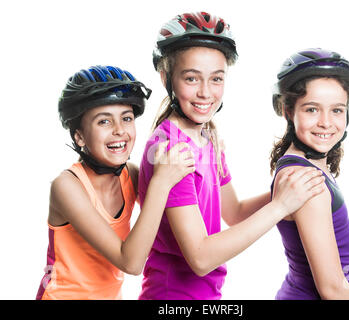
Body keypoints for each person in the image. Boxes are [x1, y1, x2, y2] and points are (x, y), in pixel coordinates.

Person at [137, 12, 327, 300]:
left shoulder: (207, 139)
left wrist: (290, 187)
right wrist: (280, 206)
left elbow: (234, 212)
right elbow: (200, 258)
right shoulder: (169, 151)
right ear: (166, 78)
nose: (205, 93)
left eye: (216, 79)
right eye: (191, 78)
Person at [36, 65, 195, 300]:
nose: (120, 130)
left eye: (127, 118)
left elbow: (166, 216)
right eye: (104, 122)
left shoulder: (129, 175)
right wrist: (160, 183)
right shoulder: (67, 186)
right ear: (79, 136)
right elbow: (130, 262)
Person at [270, 48, 349, 300]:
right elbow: (332, 288)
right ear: (288, 110)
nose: (326, 122)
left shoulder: (305, 166)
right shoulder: (307, 181)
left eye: (337, 110)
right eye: (312, 109)